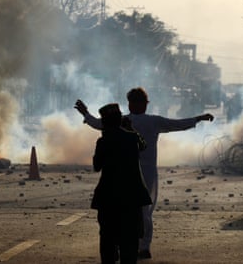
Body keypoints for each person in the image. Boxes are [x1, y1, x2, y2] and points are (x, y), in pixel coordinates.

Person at [75, 87, 214, 259]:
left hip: (122, 177)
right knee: (144, 211)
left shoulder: (119, 122)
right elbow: (176, 125)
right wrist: (198, 118)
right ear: (142, 104)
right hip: (144, 175)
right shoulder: (147, 123)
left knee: (122, 214)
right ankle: (143, 246)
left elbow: (98, 125)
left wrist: (85, 114)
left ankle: (123, 247)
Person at [91, 103, 152, 264]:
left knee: (108, 242)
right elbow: (143, 145)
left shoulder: (103, 142)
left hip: (109, 198)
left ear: (105, 123)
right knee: (130, 245)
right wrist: (131, 129)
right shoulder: (132, 138)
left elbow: (97, 166)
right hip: (131, 198)